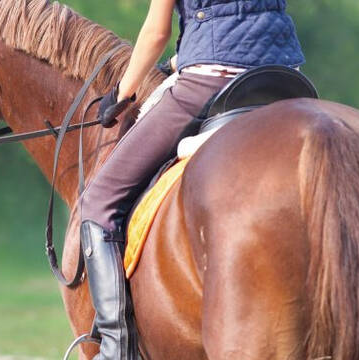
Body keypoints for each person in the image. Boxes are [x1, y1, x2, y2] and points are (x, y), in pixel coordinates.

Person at [80, 0, 305, 358]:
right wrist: (181, 58)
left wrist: (122, 93)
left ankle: (115, 346)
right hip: (285, 75)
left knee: (97, 201)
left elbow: (157, 32)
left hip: (211, 80)